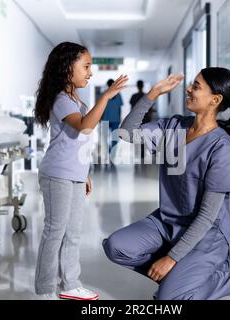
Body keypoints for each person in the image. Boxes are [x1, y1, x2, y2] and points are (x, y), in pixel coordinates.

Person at [102, 68, 230, 300]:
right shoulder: (173, 127)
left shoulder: (224, 149)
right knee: (115, 246)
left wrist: (171, 258)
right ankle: (178, 279)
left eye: (196, 86)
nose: (188, 89)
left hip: (207, 236)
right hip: (167, 223)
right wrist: (152, 93)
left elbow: (206, 217)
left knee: (170, 300)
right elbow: (126, 133)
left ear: (215, 100)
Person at [34, 42, 128, 300]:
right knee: (55, 231)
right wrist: (106, 96)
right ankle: (43, 291)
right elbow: (84, 128)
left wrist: (83, 173)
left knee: (73, 232)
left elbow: (77, 142)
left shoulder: (76, 98)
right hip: (57, 174)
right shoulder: (61, 100)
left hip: (73, 174)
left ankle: (70, 284)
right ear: (67, 68)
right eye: (85, 66)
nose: (90, 72)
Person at [130, 80, 155, 161]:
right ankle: (142, 153)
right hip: (146, 118)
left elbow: (132, 109)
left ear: (137, 86)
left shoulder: (134, 96)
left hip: (136, 119)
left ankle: (139, 153)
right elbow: (150, 108)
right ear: (143, 86)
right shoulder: (146, 96)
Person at [101, 79, 124, 156]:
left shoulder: (117, 94)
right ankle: (110, 151)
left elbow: (119, 108)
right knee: (108, 138)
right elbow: (101, 108)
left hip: (112, 119)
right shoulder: (105, 94)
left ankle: (111, 152)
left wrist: (119, 118)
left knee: (113, 138)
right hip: (108, 119)